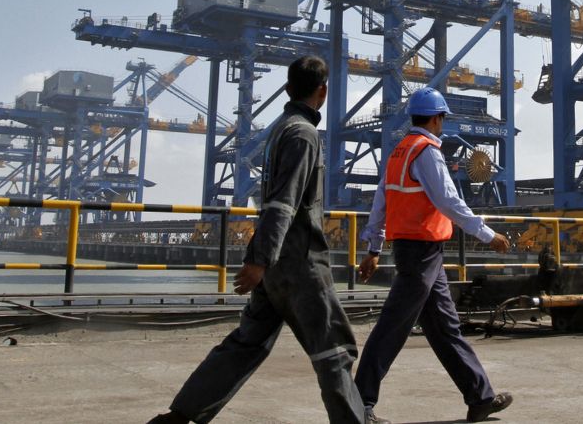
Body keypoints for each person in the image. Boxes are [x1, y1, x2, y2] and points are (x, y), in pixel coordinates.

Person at [150, 56, 367, 424]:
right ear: (323, 92)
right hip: (299, 262)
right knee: (333, 350)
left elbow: (269, 202)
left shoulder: (279, 129)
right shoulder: (304, 133)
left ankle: (179, 416)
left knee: (245, 344)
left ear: (286, 89)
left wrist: (261, 258)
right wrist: (260, 260)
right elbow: (284, 202)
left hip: (274, 264)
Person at [355, 86, 514, 424]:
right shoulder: (426, 151)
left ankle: (480, 397)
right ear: (437, 117)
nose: (443, 123)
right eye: (443, 118)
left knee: (445, 328)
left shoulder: (400, 151)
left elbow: (381, 201)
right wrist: (486, 233)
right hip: (421, 253)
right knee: (391, 328)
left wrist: (373, 247)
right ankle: (357, 404)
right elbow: (447, 201)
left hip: (420, 253)